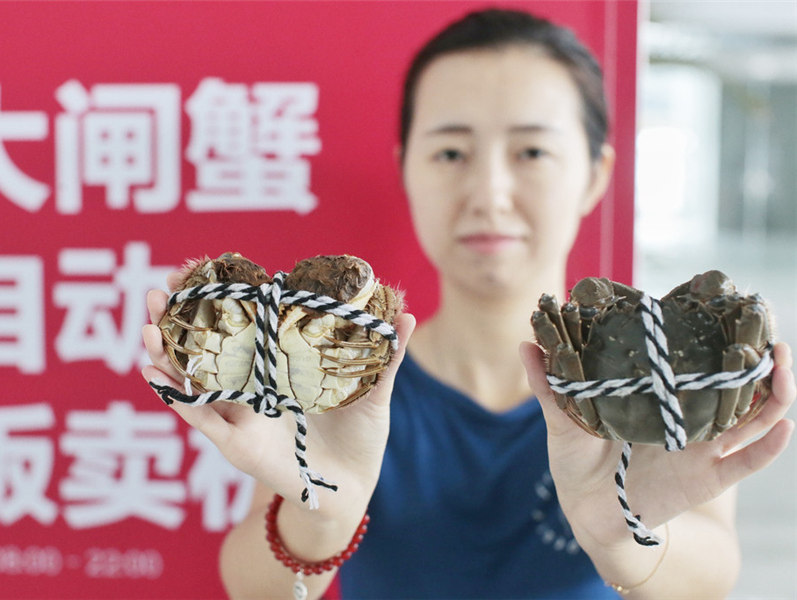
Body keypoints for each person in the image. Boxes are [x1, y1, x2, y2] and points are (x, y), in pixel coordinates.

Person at [142, 8, 796, 599]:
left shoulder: (651, 367)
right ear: (407, 168)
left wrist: (622, 530)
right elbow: (253, 588)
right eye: (451, 151)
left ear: (595, 174)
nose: (488, 190)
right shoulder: (336, 371)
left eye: (531, 151)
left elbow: (711, 573)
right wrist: (324, 509)